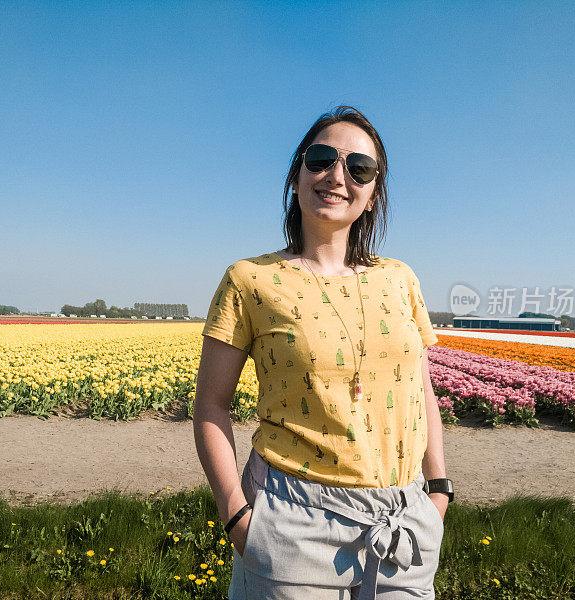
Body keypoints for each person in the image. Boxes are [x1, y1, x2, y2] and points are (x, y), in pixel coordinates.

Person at [193, 105, 453, 600]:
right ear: (296, 175)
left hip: (404, 523)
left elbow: (423, 389)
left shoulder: (400, 279)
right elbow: (210, 405)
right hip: (291, 524)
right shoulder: (250, 280)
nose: (337, 176)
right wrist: (238, 516)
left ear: (373, 195)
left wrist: (438, 490)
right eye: (321, 158)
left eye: (359, 168)